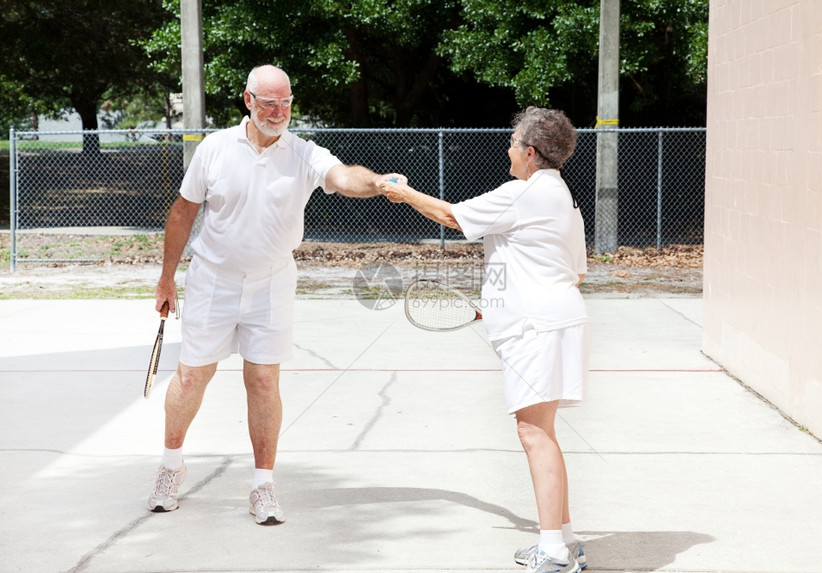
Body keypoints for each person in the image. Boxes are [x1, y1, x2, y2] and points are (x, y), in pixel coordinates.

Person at [146, 64, 404, 525]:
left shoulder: (303, 153)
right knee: (190, 378)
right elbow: (183, 212)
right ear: (248, 101)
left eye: (285, 102)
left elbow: (344, 177)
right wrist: (166, 278)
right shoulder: (215, 148)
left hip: (272, 282)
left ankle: (262, 486)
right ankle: (170, 468)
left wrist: (380, 182)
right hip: (212, 280)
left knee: (264, 381)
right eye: (269, 102)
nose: (279, 111)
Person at [380, 107, 589, 573]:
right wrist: (503, 303)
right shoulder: (565, 198)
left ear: (530, 153)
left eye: (514, 143)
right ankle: (565, 541)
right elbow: (572, 272)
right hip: (555, 321)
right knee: (545, 434)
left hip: (537, 329)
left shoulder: (523, 192)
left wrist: (403, 191)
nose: (508, 149)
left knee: (533, 434)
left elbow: (452, 217)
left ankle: (553, 553)